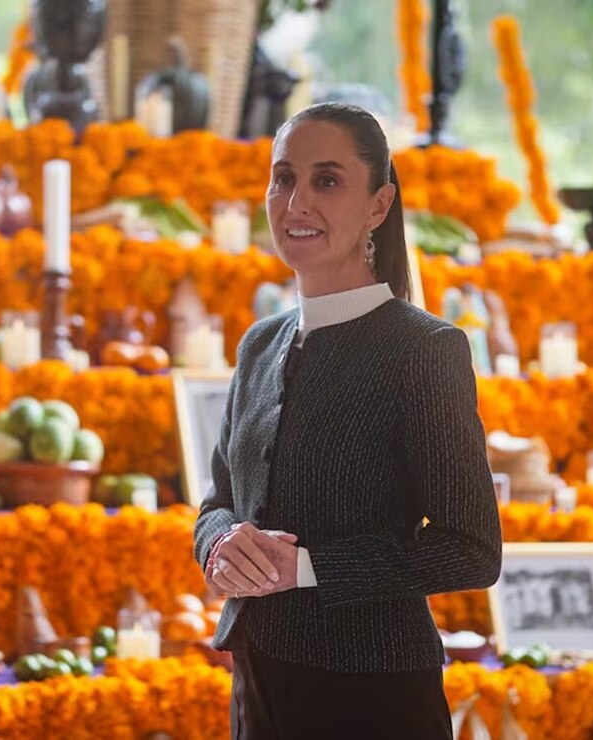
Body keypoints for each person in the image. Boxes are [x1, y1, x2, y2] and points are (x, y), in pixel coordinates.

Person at [193, 102, 503, 739]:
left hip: (369, 697)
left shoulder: (423, 349)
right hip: (256, 681)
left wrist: (304, 568)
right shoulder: (259, 342)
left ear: (378, 205)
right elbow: (216, 503)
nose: (296, 200)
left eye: (326, 180)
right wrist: (220, 546)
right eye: (284, 178)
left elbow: (472, 550)